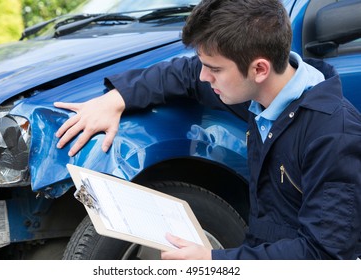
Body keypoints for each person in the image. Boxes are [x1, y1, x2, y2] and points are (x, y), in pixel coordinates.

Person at [54, 0, 361, 259]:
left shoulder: (333, 133)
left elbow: (325, 254)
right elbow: (185, 73)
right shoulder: (260, 92)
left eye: (214, 69)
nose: (203, 77)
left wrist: (214, 261)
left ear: (259, 69)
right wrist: (117, 99)